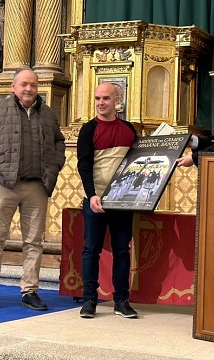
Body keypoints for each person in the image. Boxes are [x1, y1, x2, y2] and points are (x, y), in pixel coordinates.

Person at [0, 68, 66, 310]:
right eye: (24, 84)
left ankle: (30, 290)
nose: (29, 89)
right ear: (13, 87)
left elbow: (58, 142)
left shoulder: (46, 114)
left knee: (34, 241)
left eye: (33, 85)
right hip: (4, 185)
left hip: (36, 185)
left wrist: (53, 169)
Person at [77, 82, 138, 319]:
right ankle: (89, 300)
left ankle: (121, 301)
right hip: (95, 200)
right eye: (97, 98)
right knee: (91, 250)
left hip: (122, 202)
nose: (101, 103)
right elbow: (84, 165)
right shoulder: (88, 129)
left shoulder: (129, 129)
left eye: (106, 98)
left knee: (122, 251)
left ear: (117, 100)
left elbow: (138, 163)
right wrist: (92, 194)